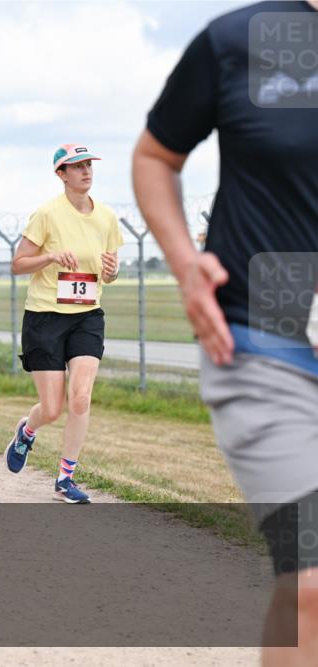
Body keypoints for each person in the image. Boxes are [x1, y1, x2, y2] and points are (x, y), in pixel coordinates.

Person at [132, 2, 317, 662]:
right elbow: (156, 156)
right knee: (315, 578)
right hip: (264, 343)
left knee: (303, 587)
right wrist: (185, 263)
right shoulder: (238, 41)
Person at [3, 145, 122, 504]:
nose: (86, 171)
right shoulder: (47, 214)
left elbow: (110, 270)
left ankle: (65, 478)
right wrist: (51, 256)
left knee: (81, 398)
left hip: (87, 315)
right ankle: (28, 430)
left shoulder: (107, 218)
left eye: (89, 165)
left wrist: (113, 272)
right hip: (45, 317)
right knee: (52, 407)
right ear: (61, 174)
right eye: (77, 166)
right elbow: (18, 264)